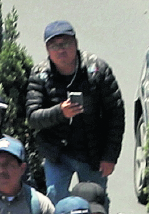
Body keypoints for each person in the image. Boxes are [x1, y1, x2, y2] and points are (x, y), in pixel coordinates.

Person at [23, 21, 123, 199]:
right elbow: (33, 117)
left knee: (95, 203)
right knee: (55, 199)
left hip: (92, 153)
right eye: (55, 46)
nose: (61, 50)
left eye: (66, 44)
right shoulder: (40, 74)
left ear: (76, 43)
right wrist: (60, 112)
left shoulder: (97, 70)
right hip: (57, 154)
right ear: (47, 50)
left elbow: (115, 114)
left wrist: (110, 156)